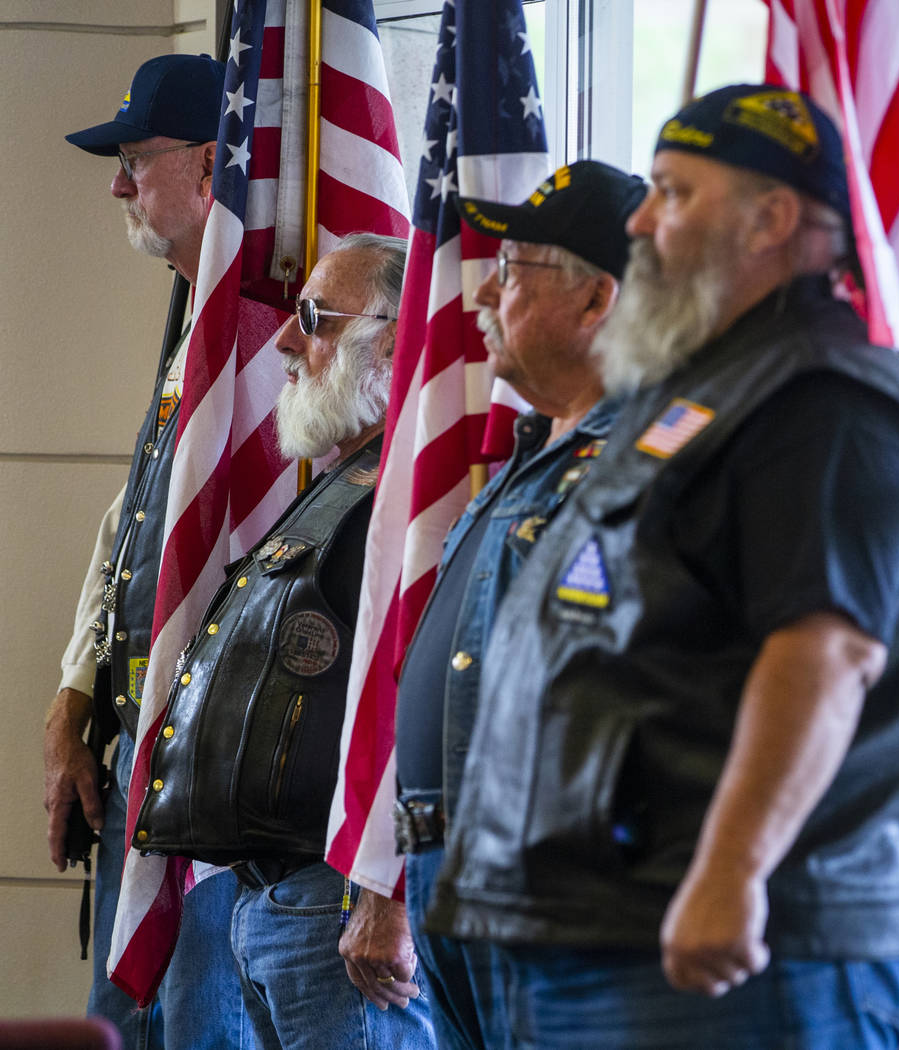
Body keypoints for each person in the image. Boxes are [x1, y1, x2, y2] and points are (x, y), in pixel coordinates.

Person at [426, 84, 899, 1049]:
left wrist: (731, 872)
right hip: (594, 926)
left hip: (728, 946)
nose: (639, 221)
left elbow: (822, 655)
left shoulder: (822, 397)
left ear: (772, 219)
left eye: (672, 192)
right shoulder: (693, 397)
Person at [129, 234, 437, 1050]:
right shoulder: (347, 485)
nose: (284, 340)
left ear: (397, 338)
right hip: (283, 903)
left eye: (314, 318)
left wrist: (390, 894)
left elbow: (425, 714)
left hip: (341, 908)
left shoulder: (408, 504)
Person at [392, 160, 645, 1050]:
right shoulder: (540, 451)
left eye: (513, 271)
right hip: (450, 865)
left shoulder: (640, 466)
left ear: (595, 302)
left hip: (538, 883)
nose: (481, 298)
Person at [45, 54, 254, 1049]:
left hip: (219, 774)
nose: (120, 186)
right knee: (127, 1023)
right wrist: (79, 689)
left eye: (137, 158)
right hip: (145, 747)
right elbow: (138, 516)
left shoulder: (262, 334)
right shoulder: (193, 320)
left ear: (212, 163)